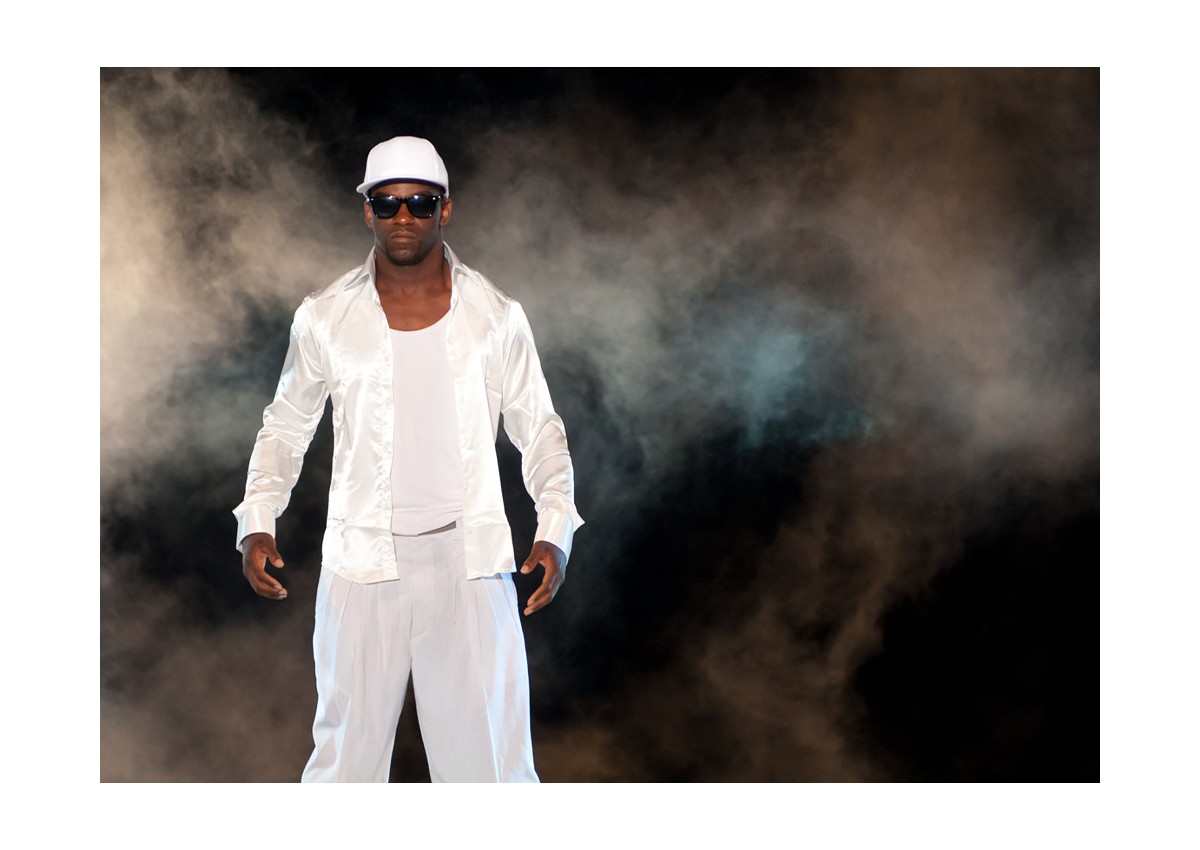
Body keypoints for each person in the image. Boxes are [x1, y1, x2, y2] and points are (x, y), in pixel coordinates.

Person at [233, 136, 583, 782]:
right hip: (361, 563)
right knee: (344, 768)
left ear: (444, 209)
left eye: (419, 204)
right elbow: (285, 425)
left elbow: (540, 429)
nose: (403, 217)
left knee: (493, 771)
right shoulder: (324, 318)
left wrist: (555, 527)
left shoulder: (497, 318)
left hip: (470, 563)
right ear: (366, 210)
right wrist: (257, 518)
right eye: (387, 203)